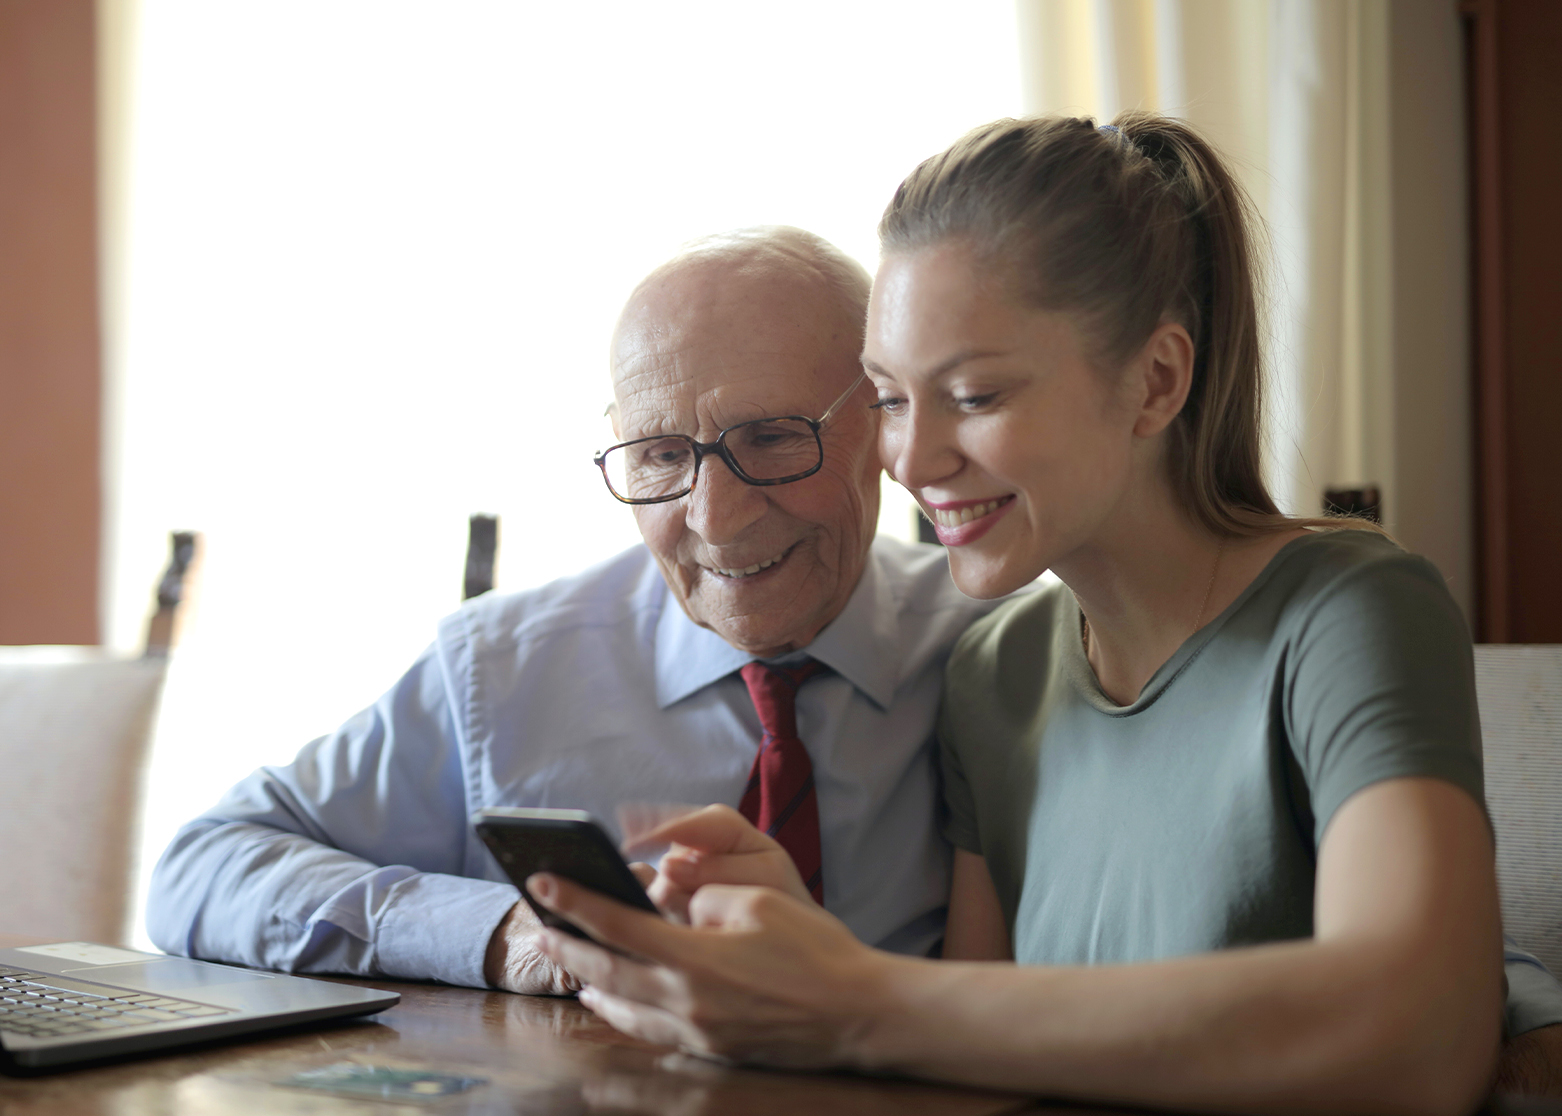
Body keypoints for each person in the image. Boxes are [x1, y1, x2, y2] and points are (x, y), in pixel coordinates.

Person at [530, 114, 1544, 1113]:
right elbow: (981, 1054)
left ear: (1154, 382)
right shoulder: (997, 670)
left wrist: (846, 995)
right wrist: (803, 958)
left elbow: (1422, 1036)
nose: (913, 461)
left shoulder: (1350, 611)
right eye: (888, 397)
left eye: (971, 395)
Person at [145, 226, 1004, 993]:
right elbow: (202, 868)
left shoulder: (1006, 655)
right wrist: (501, 933)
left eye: (773, 438)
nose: (714, 517)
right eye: (662, 455)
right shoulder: (504, 669)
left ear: (885, 422)